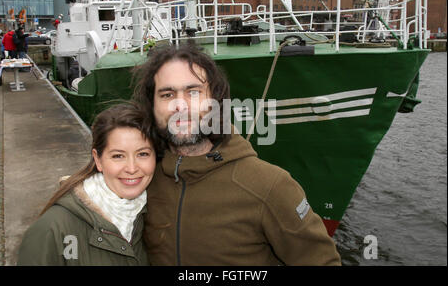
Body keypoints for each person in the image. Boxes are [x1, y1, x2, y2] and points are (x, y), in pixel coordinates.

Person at [133, 43, 341, 266]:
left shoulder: (270, 187)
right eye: (167, 94)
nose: (180, 105)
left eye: (193, 92)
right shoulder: (141, 179)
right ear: (152, 106)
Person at [17, 103, 156, 265]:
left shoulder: (152, 214)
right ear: (98, 159)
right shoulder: (51, 230)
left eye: (143, 154)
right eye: (118, 156)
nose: (132, 168)